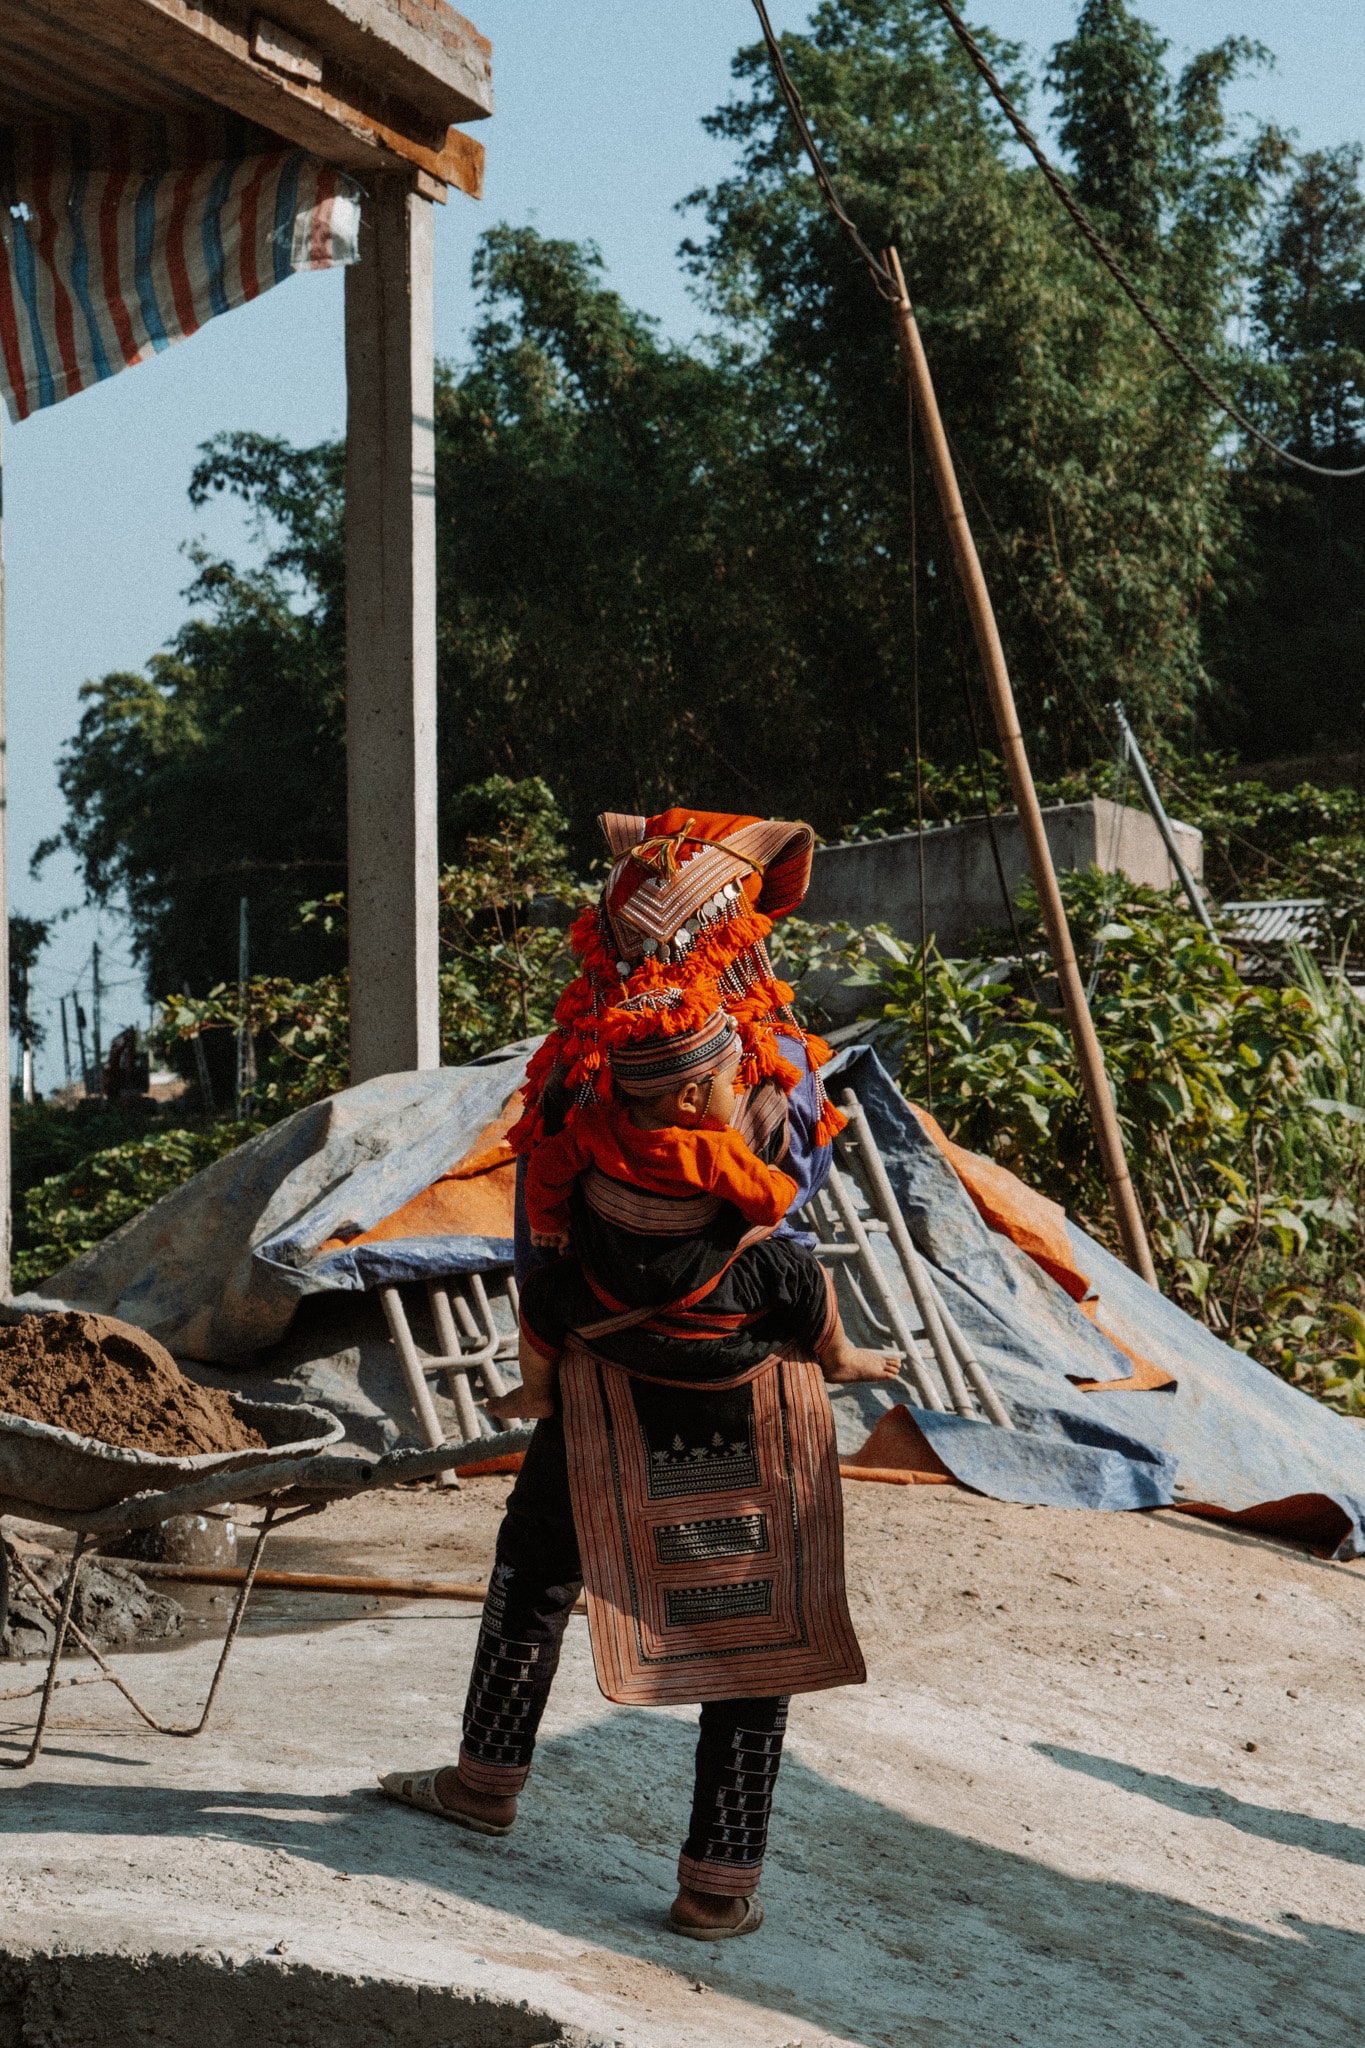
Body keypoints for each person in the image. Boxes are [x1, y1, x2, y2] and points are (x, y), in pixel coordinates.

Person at [380, 809, 891, 1940]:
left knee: (537, 1562)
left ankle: (484, 1779)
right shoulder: (776, 1074)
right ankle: (718, 1884)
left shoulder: (578, 1077)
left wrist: (546, 1347)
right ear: (740, 934)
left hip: (600, 1371)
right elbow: (793, 1201)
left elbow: (539, 1226)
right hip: (742, 1388)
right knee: (760, 1633)